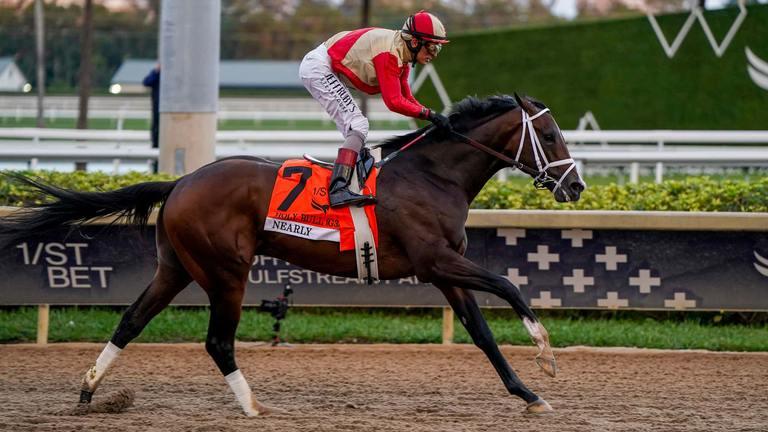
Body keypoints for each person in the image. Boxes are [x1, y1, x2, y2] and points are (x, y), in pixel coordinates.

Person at [299, 10, 452, 208]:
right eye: (432, 48)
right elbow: (394, 102)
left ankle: (349, 177)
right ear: (415, 42)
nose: (433, 55)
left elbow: (407, 97)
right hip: (319, 67)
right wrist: (430, 114)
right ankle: (338, 189)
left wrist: (433, 116)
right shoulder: (389, 54)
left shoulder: (402, 54)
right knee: (358, 125)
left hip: (324, 65)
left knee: (355, 128)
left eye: (437, 50)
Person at [142, 64, 161, 151]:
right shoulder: (157, 73)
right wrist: (156, 71)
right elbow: (146, 82)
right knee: (156, 129)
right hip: (157, 107)